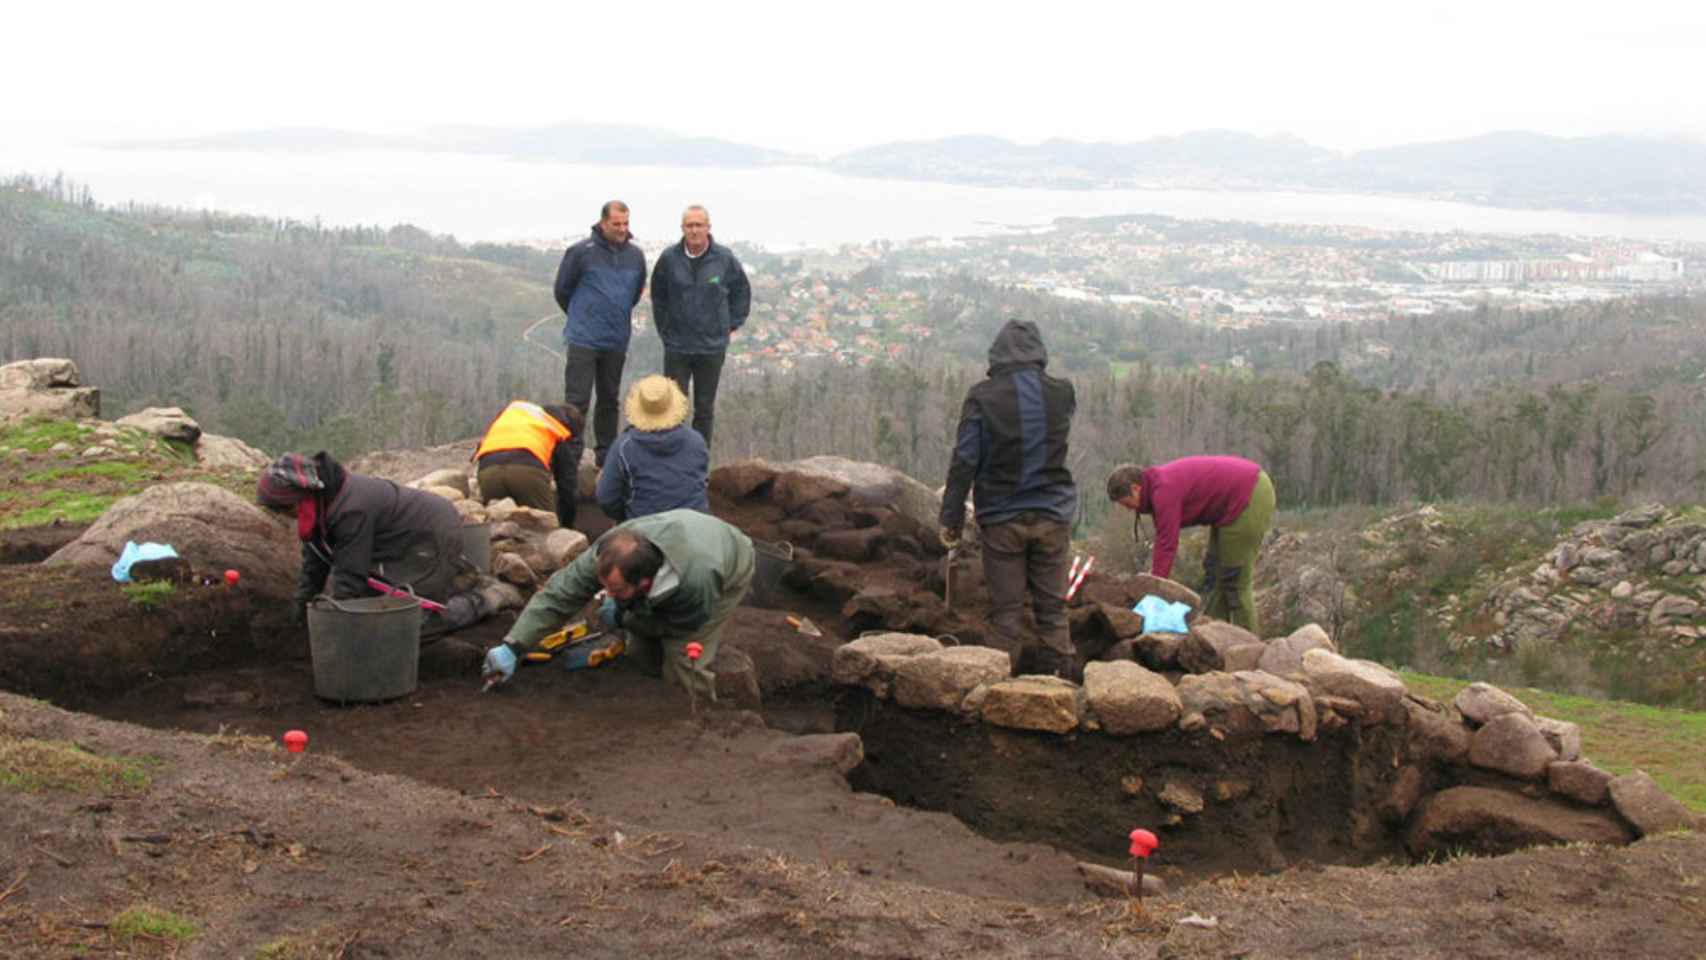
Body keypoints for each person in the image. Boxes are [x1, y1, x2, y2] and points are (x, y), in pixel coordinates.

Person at [481, 509, 754, 701]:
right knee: (641, 655)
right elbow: (560, 593)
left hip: (728, 562)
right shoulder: (611, 553)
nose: (607, 595)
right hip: (680, 534)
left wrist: (626, 618)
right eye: (605, 588)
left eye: (617, 590)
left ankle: (702, 720)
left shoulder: (696, 582)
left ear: (644, 583)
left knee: (682, 659)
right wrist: (514, 645)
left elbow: (680, 625)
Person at [938, 319, 1078, 674]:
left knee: (1006, 616)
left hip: (1002, 518)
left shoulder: (982, 396)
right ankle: (1060, 693)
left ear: (996, 354)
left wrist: (950, 519)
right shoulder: (1062, 393)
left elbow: (965, 459)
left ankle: (999, 692)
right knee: (1053, 612)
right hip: (1053, 515)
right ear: (1039, 353)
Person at [256, 451, 499, 634]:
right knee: (374, 604)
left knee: (406, 623)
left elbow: (350, 575)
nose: (283, 518)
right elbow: (315, 564)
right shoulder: (319, 506)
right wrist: (299, 615)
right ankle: (456, 579)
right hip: (397, 539)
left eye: (283, 510)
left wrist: (336, 631)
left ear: (299, 500)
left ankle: (490, 598)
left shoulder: (350, 509)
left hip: (431, 532)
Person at [1106, 456, 1276, 634]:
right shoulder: (1157, 488)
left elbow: (1166, 544)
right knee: (1215, 573)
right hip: (1229, 505)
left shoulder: (1163, 490)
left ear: (1135, 488)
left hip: (1250, 492)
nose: (1129, 509)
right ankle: (1214, 637)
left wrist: (1154, 589)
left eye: (1127, 503)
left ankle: (1251, 647)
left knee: (1235, 580)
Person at [555, 200, 647, 469]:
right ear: (603, 222)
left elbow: (634, 293)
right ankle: (570, 455)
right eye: (616, 224)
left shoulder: (636, 256)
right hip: (583, 337)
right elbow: (563, 290)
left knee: (609, 398)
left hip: (616, 338)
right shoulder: (581, 252)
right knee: (577, 400)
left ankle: (605, 456)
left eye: (626, 223)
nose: (622, 229)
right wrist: (582, 316)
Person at [649, 205, 751, 447]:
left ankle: (698, 459)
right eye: (689, 225)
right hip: (678, 346)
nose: (694, 230)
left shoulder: (724, 259)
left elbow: (741, 292)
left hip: (711, 346)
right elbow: (659, 297)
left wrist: (730, 325)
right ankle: (673, 456)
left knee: (705, 408)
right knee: (674, 407)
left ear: (708, 228)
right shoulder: (668, 259)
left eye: (699, 225)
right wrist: (666, 331)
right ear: (682, 228)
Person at [596, 375, 710, 523]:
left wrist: (625, 517)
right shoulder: (696, 441)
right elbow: (701, 484)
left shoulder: (624, 447)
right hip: (696, 526)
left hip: (645, 529)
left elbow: (606, 498)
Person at [472, 400, 583, 527]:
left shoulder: (517, 414)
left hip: (488, 471)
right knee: (545, 527)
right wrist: (567, 526)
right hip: (527, 471)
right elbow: (567, 487)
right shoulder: (554, 428)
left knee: (497, 528)